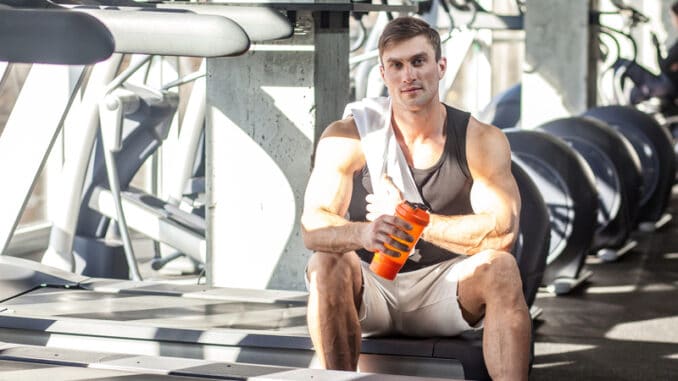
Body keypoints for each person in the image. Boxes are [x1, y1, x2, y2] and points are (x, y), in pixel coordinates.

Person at [300, 16, 529, 381]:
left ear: (440, 67)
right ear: (383, 72)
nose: (409, 75)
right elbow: (313, 226)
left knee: (501, 269)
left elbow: (502, 233)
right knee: (325, 263)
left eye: (418, 62)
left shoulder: (480, 139)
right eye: (397, 65)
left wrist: (412, 220)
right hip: (372, 287)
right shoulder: (348, 136)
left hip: (446, 288)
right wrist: (364, 234)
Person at [613, 1, 678, 105]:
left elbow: (664, 66)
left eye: (672, 17)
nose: (672, 20)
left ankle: (616, 106)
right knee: (635, 93)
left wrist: (657, 47)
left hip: (667, 86)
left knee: (623, 64)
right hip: (668, 85)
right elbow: (668, 66)